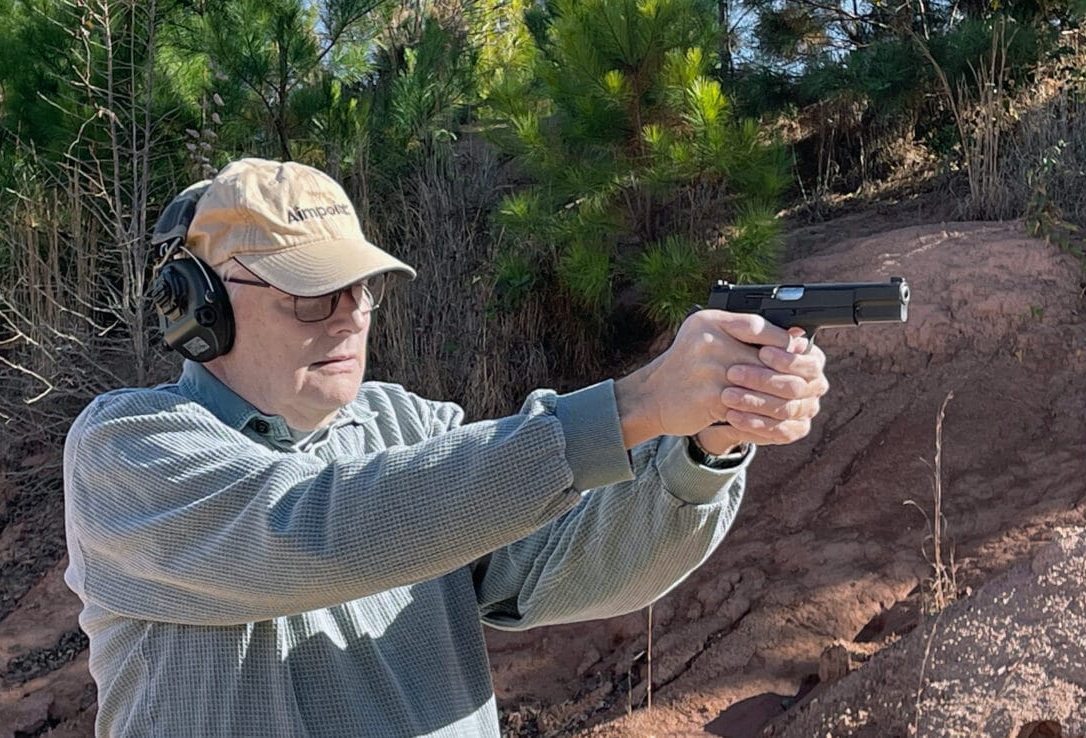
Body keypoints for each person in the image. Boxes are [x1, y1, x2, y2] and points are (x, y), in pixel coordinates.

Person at [62, 158, 829, 738]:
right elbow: (316, 529)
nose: (350, 317)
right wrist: (635, 406)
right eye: (311, 294)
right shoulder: (128, 449)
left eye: (361, 289)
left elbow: (575, 565)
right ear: (197, 302)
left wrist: (702, 445)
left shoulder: (407, 426)